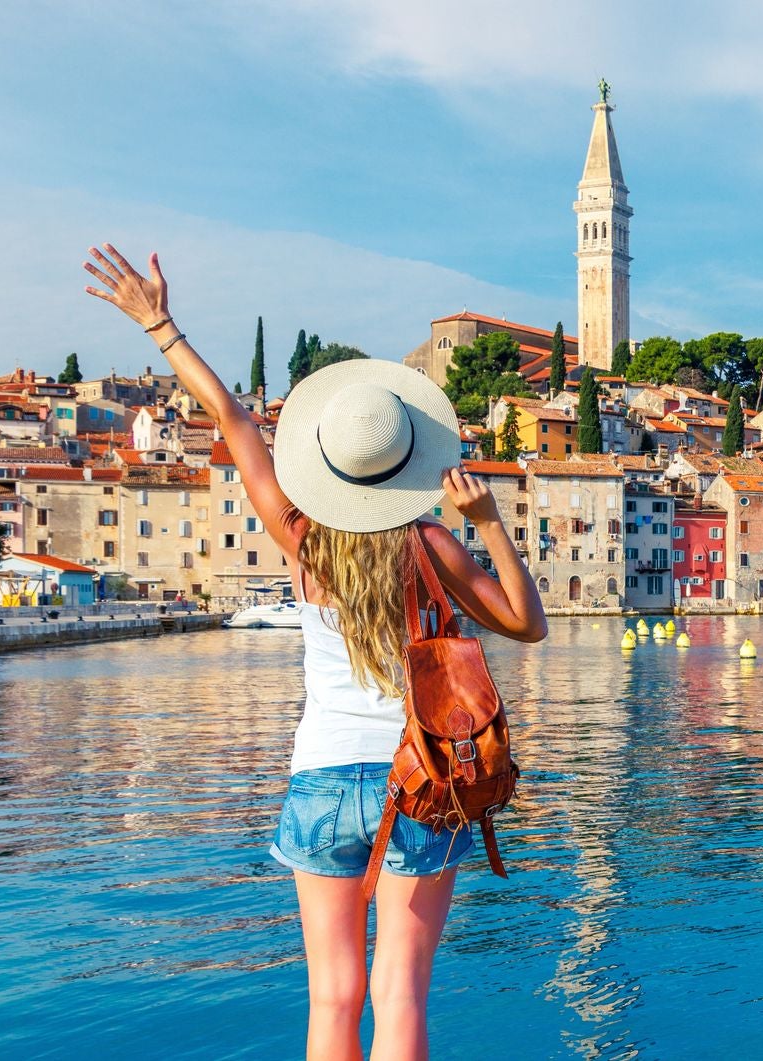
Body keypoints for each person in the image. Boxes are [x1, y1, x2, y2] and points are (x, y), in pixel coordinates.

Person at [85, 244, 546, 1059]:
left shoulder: (303, 543)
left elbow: (231, 419)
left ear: (330, 465)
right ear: (408, 462)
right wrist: (491, 525)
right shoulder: (433, 544)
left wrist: (160, 324)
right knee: (399, 992)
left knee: (332, 997)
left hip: (321, 778)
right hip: (421, 779)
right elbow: (526, 622)